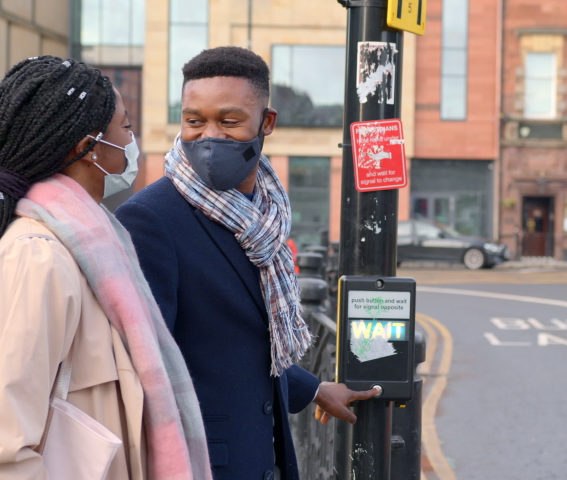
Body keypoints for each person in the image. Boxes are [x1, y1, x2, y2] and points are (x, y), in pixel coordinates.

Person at [0, 56, 211, 480]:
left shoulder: (92, 249)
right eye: (126, 127)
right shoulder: (36, 259)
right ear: (89, 148)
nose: (133, 141)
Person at [115, 46, 379, 480]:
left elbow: (241, 345)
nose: (209, 137)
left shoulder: (266, 214)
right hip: (202, 463)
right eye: (194, 121)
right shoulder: (149, 220)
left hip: (261, 457)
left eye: (229, 121)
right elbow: (144, 367)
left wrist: (313, 389)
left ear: (266, 123)